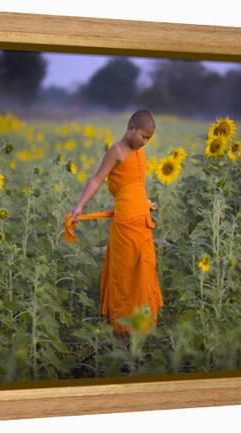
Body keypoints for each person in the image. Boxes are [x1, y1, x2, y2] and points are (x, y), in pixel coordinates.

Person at [64, 109, 163, 337]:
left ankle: (142, 323)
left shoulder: (140, 153)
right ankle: (122, 326)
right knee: (125, 273)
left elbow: (135, 184)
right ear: (131, 128)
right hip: (125, 224)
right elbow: (97, 179)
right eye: (143, 137)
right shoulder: (117, 151)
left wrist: (145, 201)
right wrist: (79, 206)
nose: (145, 142)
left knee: (143, 270)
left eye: (149, 139)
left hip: (142, 222)